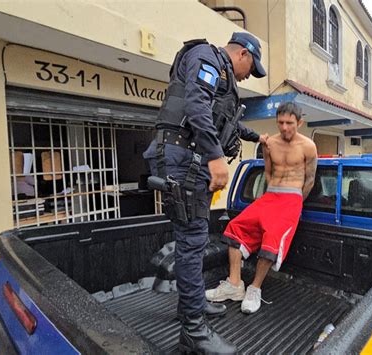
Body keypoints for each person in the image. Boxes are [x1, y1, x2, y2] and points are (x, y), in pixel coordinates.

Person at [143, 32, 267, 354]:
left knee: (193, 239)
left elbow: (226, 122)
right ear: (243, 54)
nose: (247, 76)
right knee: (192, 239)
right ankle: (193, 331)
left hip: (188, 160)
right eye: (250, 69)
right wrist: (215, 157)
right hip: (182, 159)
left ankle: (192, 306)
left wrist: (258, 137)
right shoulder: (206, 57)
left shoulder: (221, 75)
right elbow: (196, 104)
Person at [206, 101, 318, 314]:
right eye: (281, 122)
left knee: (273, 237)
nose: (284, 127)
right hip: (271, 195)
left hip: (292, 199)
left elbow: (310, 179)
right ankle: (235, 284)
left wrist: (296, 203)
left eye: (290, 123)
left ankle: (254, 288)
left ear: (300, 122)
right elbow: (268, 172)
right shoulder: (268, 144)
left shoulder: (308, 146)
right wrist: (268, 196)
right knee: (236, 226)